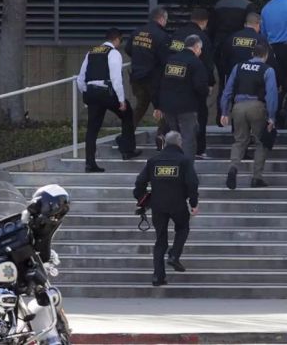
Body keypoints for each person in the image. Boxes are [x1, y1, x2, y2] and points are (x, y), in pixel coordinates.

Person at [133, 131, 199, 287]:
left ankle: (158, 276)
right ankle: (174, 256)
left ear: (165, 143)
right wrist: (194, 203)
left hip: (158, 206)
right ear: (179, 142)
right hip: (178, 204)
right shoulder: (184, 161)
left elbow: (140, 182)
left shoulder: (154, 160)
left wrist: (142, 199)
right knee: (182, 228)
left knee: (160, 240)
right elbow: (192, 183)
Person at [76, 27, 140, 172]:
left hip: (91, 92)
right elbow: (116, 78)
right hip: (106, 92)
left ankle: (90, 163)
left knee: (92, 129)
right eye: (120, 41)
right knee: (127, 114)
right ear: (117, 39)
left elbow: (80, 78)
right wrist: (122, 100)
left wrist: (86, 93)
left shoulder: (91, 52)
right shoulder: (114, 53)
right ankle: (127, 149)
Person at [220, 42, 278, 189]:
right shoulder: (268, 70)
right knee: (261, 142)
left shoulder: (238, 67)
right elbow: (271, 95)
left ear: (252, 54)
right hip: (257, 107)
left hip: (238, 107)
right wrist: (272, 116)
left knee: (239, 141)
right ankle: (256, 177)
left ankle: (233, 168)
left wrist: (224, 111)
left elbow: (227, 90)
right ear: (266, 55)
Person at [209, 0, 257, 125]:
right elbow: (250, 28)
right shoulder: (248, 6)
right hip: (241, 49)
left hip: (220, 49)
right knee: (240, 83)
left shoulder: (218, 5)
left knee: (223, 83)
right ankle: (237, 118)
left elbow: (211, 29)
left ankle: (220, 114)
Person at [169, 8, 215, 159]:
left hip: (173, 81)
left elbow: (169, 54)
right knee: (199, 115)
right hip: (194, 85)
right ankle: (199, 149)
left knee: (173, 118)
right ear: (204, 22)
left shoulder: (176, 35)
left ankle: (172, 146)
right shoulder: (202, 38)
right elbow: (208, 63)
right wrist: (210, 83)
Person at [153, 35, 209, 160]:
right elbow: (200, 87)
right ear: (196, 47)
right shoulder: (196, 62)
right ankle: (186, 170)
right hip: (187, 107)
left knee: (173, 138)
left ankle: (172, 165)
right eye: (200, 49)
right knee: (188, 139)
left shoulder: (169, 60)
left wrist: (157, 105)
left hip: (168, 106)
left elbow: (158, 83)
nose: (200, 52)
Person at [125, 7, 171, 133]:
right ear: (161, 19)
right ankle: (161, 138)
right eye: (166, 20)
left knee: (140, 107)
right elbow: (165, 60)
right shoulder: (162, 36)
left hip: (137, 77)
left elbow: (128, 49)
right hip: (153, 79)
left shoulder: (137, 32)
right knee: (162, 108)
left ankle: (127, 135)